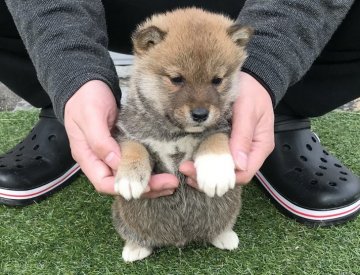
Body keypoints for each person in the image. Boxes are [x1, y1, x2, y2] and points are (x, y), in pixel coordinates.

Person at [0, 0, 359, 226]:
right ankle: (73, 114)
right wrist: (70, 77)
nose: (199, 105)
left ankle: (279, 112)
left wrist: (267, 70)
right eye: (176, 81)